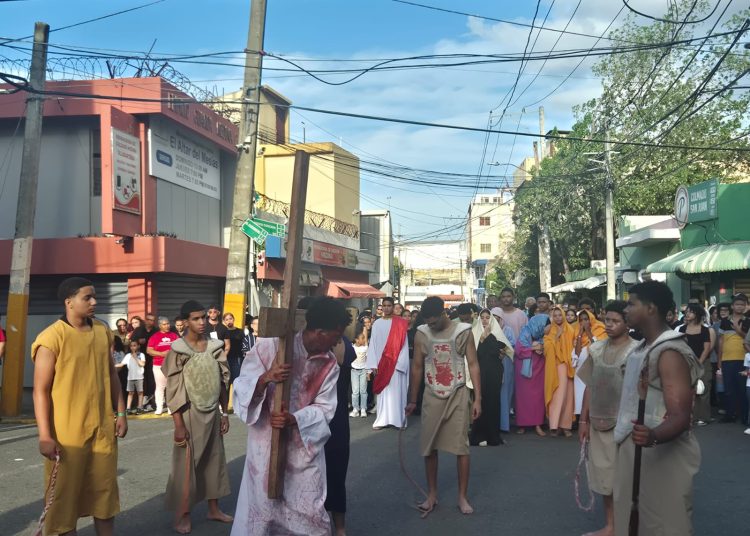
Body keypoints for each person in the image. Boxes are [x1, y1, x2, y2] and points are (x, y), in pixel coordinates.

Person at [231, 297, 349, 535]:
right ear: (319, 331)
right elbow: (241, 385)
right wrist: (266, 378)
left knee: (311, 513)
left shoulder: (329, 365)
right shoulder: (271, 347)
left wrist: (295, 419)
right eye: (336, 335)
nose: (338, 341)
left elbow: (326, 408)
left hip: (303, 447)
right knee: (263, 510)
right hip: (266, 444)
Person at [32, 277, 127, 535]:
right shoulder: (51, 338)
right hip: (66, 434)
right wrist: (44, 435)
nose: (94, 302)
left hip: (102, 429)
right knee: (64, 499)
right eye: (87, 297)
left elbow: (112, 375)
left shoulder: (102, 331)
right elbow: (40, 392)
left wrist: (121, 412)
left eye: (95, 297)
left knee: (105, 494)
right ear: (69, 302)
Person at [612, 281, 702, 535]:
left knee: (663, 523)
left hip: (659, 451)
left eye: (631, 303)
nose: (625, 309)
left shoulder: (669, 351)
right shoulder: (643, 348)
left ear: (651, 308)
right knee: (636, 520)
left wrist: (653, 436)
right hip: (638, 448)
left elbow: (680, 415)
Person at [406, 296, 481, 515]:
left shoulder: (463, 331)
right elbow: (418, 367)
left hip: (458, 393)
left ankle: (462, 497)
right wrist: (412, 400)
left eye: (433, 321)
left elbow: (474, 364)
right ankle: (431, 495)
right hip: (431, 393)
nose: (430, 325)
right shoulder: (422, 333)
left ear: (444, 313)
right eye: (427, 321)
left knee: (461, 447)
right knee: (429, 447)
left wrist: (478, 399)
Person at [164, 300, 232, 534]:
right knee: (187, 465)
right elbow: (172, 391)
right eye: (196, 318)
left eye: (204, 317)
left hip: (213, 411)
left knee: (214, 459)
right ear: (184, 322)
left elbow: (224, 382)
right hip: (189, 412)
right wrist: (178, 425)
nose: (202, 322)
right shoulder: (178, 350)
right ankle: (182, 514)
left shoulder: (215, 346)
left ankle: (214, 508)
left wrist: (224, 413)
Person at [577, 300, 638, 536]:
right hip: (598, 421)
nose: (610, 325)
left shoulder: (638, 350)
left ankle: (631, 527)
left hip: (629, 424)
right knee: (604, 477)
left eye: (616, 321)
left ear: (628, 323)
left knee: (628, 480)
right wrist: (583, 421)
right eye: (607, 320)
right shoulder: (596, 349)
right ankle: (611, 526)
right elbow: (589, 387)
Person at [470, 308, 513, 446]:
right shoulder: (474, 334)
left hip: (494, 372)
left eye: (487, 317)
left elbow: (505, 350)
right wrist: (483, 337)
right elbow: (475, 353)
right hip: (479, 372)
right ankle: (478, 436)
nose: (484, 320)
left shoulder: (497, 334)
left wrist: (491, 338)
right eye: (482, 317)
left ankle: (493, 436)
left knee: (493, 402)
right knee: (480, 401)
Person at [366, 296, 410, 429]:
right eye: (384, 305)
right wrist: (372, 365)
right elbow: (372, 344)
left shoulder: (401, 323)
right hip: (381, 364)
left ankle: (399, 420)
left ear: (393, 307)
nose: (386, 308)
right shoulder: (377, 324)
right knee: (383, 393)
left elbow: (404, 345)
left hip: (396, 364)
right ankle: (382, 420)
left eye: (389, 305)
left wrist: (400, 363)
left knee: (397, 393)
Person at [514, 313, 550, 436]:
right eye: (546, 326)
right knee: (523, 398)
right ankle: (522, 424)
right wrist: (533, 349)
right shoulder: (525, 333)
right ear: (539, 325)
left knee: (538, 398)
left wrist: (543, 347)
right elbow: (518, 351)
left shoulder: (544, 335)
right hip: (524, 370)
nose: (547, 328)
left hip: (539, 369)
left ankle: (538, 424)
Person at [678, 304, 712, 426]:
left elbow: (707, 348)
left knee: (703, 389)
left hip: (703, 363)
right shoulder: (682, 329)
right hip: (685, 363)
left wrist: (699, 362)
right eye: (686, 312)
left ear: (697, 314)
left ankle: (703, 417)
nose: (687, 314)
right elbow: (679, 346)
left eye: (690, 312)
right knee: (688, 391)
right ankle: (689, 417)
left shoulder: (704, 329)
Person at [544, 306, 575, 437]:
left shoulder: (571, 329)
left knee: (568, 396)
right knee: (557, 396)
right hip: (556, 366)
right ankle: (554, 426)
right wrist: (556, 336)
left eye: (560, 315)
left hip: (569, 365)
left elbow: (574, 345)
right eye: (555, 315)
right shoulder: (550, 329)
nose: (558, 318)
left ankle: (566, 426)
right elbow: (546, 346)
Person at [717, 293, 749, 424]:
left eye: (742, 305)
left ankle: (744, 416)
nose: (740, 307)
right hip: (727, 359)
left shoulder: (747, 320)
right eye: (737, 304)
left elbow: (747, 338)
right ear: (732, 306)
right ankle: (730, 415)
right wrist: (719, 360)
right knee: (729, 389)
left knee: (743, 389)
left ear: (746, 306)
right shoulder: (725, 321)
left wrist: (737, 329)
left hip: (743, 359)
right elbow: (720, 342)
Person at [573, 310, 608, 418]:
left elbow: (597, 347)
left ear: (591, 319)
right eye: (581, 320)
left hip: (594, 368)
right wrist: (579, 334)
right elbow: (577, 353)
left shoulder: (600, 329)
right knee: (580, 395)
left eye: (586, 319)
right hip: (580, 369)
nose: (583, 322)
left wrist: (588, 331)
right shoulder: (575, 331)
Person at [147, 316, 180, 415]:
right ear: (160, 325)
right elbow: (149, 350)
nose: (167, 326)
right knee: (160, 386)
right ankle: (159, 407)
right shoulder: (155, 336)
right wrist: (162, 354)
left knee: (171, 386)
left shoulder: (174, 336)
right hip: (158, 365)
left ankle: (171, 407)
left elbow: (180, 348)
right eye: (164, 324)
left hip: (172, 365)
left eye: (168, 324)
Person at [491, 307, 516, 433]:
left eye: (497, 318)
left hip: (506, 363)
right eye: (493, 318)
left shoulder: (508, 330)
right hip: (492, 363)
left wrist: (502, 350)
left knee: (505, 392)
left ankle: (504, 424)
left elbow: (512, 345)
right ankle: (493, 423)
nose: (495, 321)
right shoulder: (487, 330)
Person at [132, 312, 157, 410]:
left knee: (151, 379)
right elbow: (132, 343)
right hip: (140, 358)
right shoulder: (138, 330)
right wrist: (138, 342)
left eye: (152, 320)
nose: (150, 322)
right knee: (140, 379)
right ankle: (140, 402)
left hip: (152, 358)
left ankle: (151, 400)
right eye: (149, 319)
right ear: (145, 320)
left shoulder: (156, 331)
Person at [117, 340, 145, 414]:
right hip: (130, 377)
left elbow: (142, 364)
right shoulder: (128, 355)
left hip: (139, 377)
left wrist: (136, 357)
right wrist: (112, 365)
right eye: (131, 346)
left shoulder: (141, 355)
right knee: (130, 392)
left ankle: (140, 407)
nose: (133, 347)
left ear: (138, 346)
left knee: (140, 392)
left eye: (134, 345)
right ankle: (128, 408)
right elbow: (121, 364)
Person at [351, 325, 370, 417]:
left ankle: (363, 409)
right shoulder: (352, 347)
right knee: (355, 391)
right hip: (354, 371)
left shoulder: (366, 348)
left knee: (363, 391)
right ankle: (355, 409)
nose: (364, 339)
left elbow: (368, 360)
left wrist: (368, 372)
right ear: (356, 340)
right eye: (362, 338)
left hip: (363, 371)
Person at [223, 312, 246, 384]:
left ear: (233, 319)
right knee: (226, 381)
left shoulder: (240, 331)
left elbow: (244, 344)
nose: (229, 321)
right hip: (226, 359)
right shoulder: (223, 332)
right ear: (224, 321)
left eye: (230, 319)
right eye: (226, 319)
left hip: (237, 358)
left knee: (237, 381)